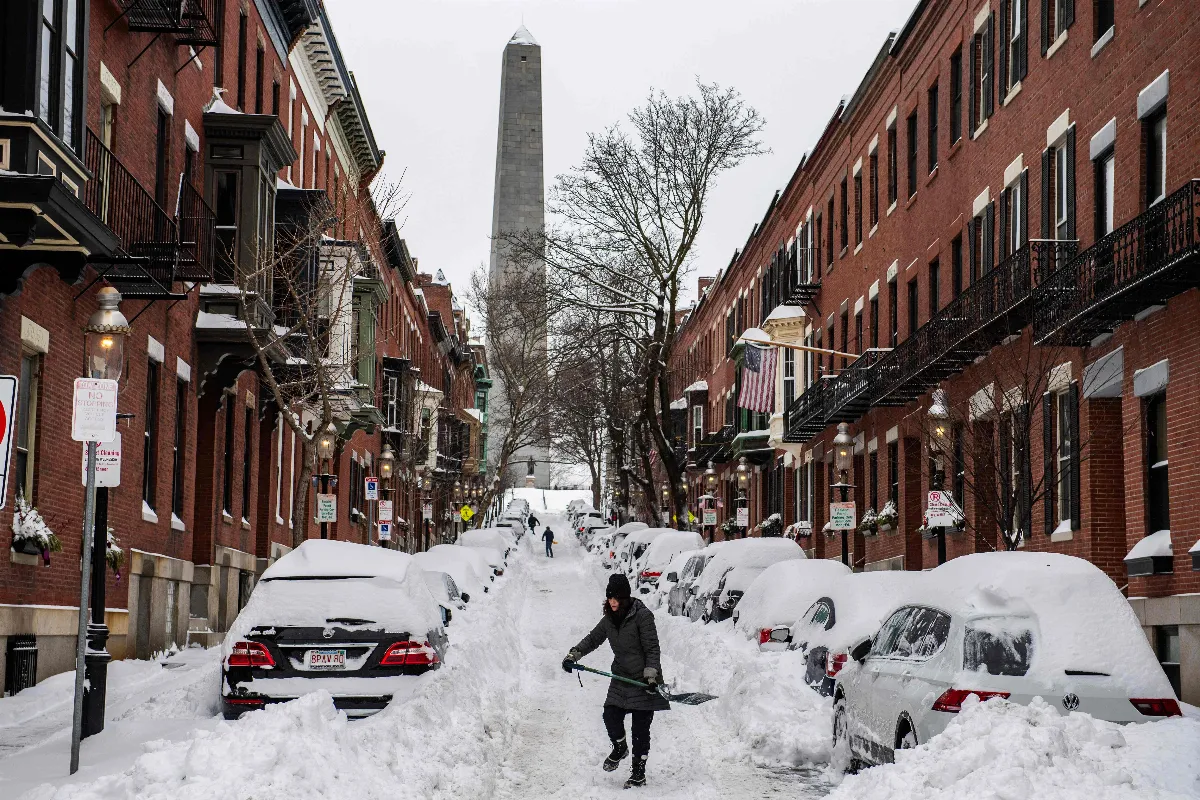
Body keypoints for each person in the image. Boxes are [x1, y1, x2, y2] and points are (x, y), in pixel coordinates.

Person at [562, 574, 668, 789]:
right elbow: (593, 638)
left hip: (644, 679)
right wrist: (574, 655)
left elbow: (652, 648)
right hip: (621, 676)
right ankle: (620, 748)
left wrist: (650, 676)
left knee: (640, 729)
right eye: (610, 597)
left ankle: (638, 773)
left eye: (617, 597)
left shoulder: (642, 616)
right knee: (610, 715)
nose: (612, 601)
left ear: (626, 597)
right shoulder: (609, 619)